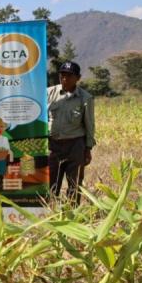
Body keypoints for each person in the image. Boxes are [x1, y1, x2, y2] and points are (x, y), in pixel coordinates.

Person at [47, 61, 95, 201]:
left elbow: (89, 125)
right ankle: (51, 211)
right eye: (62, 75)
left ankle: (72, 212)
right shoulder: (48, 93)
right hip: (52, 146)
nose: (65, 79)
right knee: (51, 185)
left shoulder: (85, 98)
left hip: (75, 146)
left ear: (78, 78)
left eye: (69, 76)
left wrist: (88, 149)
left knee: (74, 185)